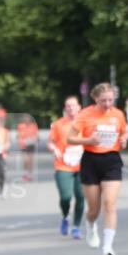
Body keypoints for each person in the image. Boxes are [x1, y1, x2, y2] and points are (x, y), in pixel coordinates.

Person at [67, 83, 127, 255]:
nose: (108, 104)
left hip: (112, 160)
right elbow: (70, 138)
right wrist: (88, 140)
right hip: (91, 160)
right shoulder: (85, 114)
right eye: (103, 101)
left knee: (110, 204)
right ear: (95, 99)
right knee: (94, 208)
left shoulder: (118, 114)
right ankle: (91, 224)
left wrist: (123, 140)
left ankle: (108, 247)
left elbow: (124, 133)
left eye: (110, 100)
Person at [48, 96, 84, 239]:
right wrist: (54, 149)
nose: (71, 109)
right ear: (65, 108)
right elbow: (50, 142)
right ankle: (65, 216)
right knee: (66, 197)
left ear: (79, 107)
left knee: (81, 196)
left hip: (82, 164)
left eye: (73, 106)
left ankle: (76, 227)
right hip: (63, 164)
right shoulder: (58, 124)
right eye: (68, 106)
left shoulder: (85, 123)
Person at [17, 116, 38, 181]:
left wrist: (34, 138)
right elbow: (18, 135)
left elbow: (36, 135)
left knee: (30, 161)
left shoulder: (33, 126)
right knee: (25, 160)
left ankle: (30, 174)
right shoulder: (21, 126)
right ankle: (25, 174)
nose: (27, 121)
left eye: (28, 120)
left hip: (31, 145)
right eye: (25, 120)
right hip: (23, 145)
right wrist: (20, 140)